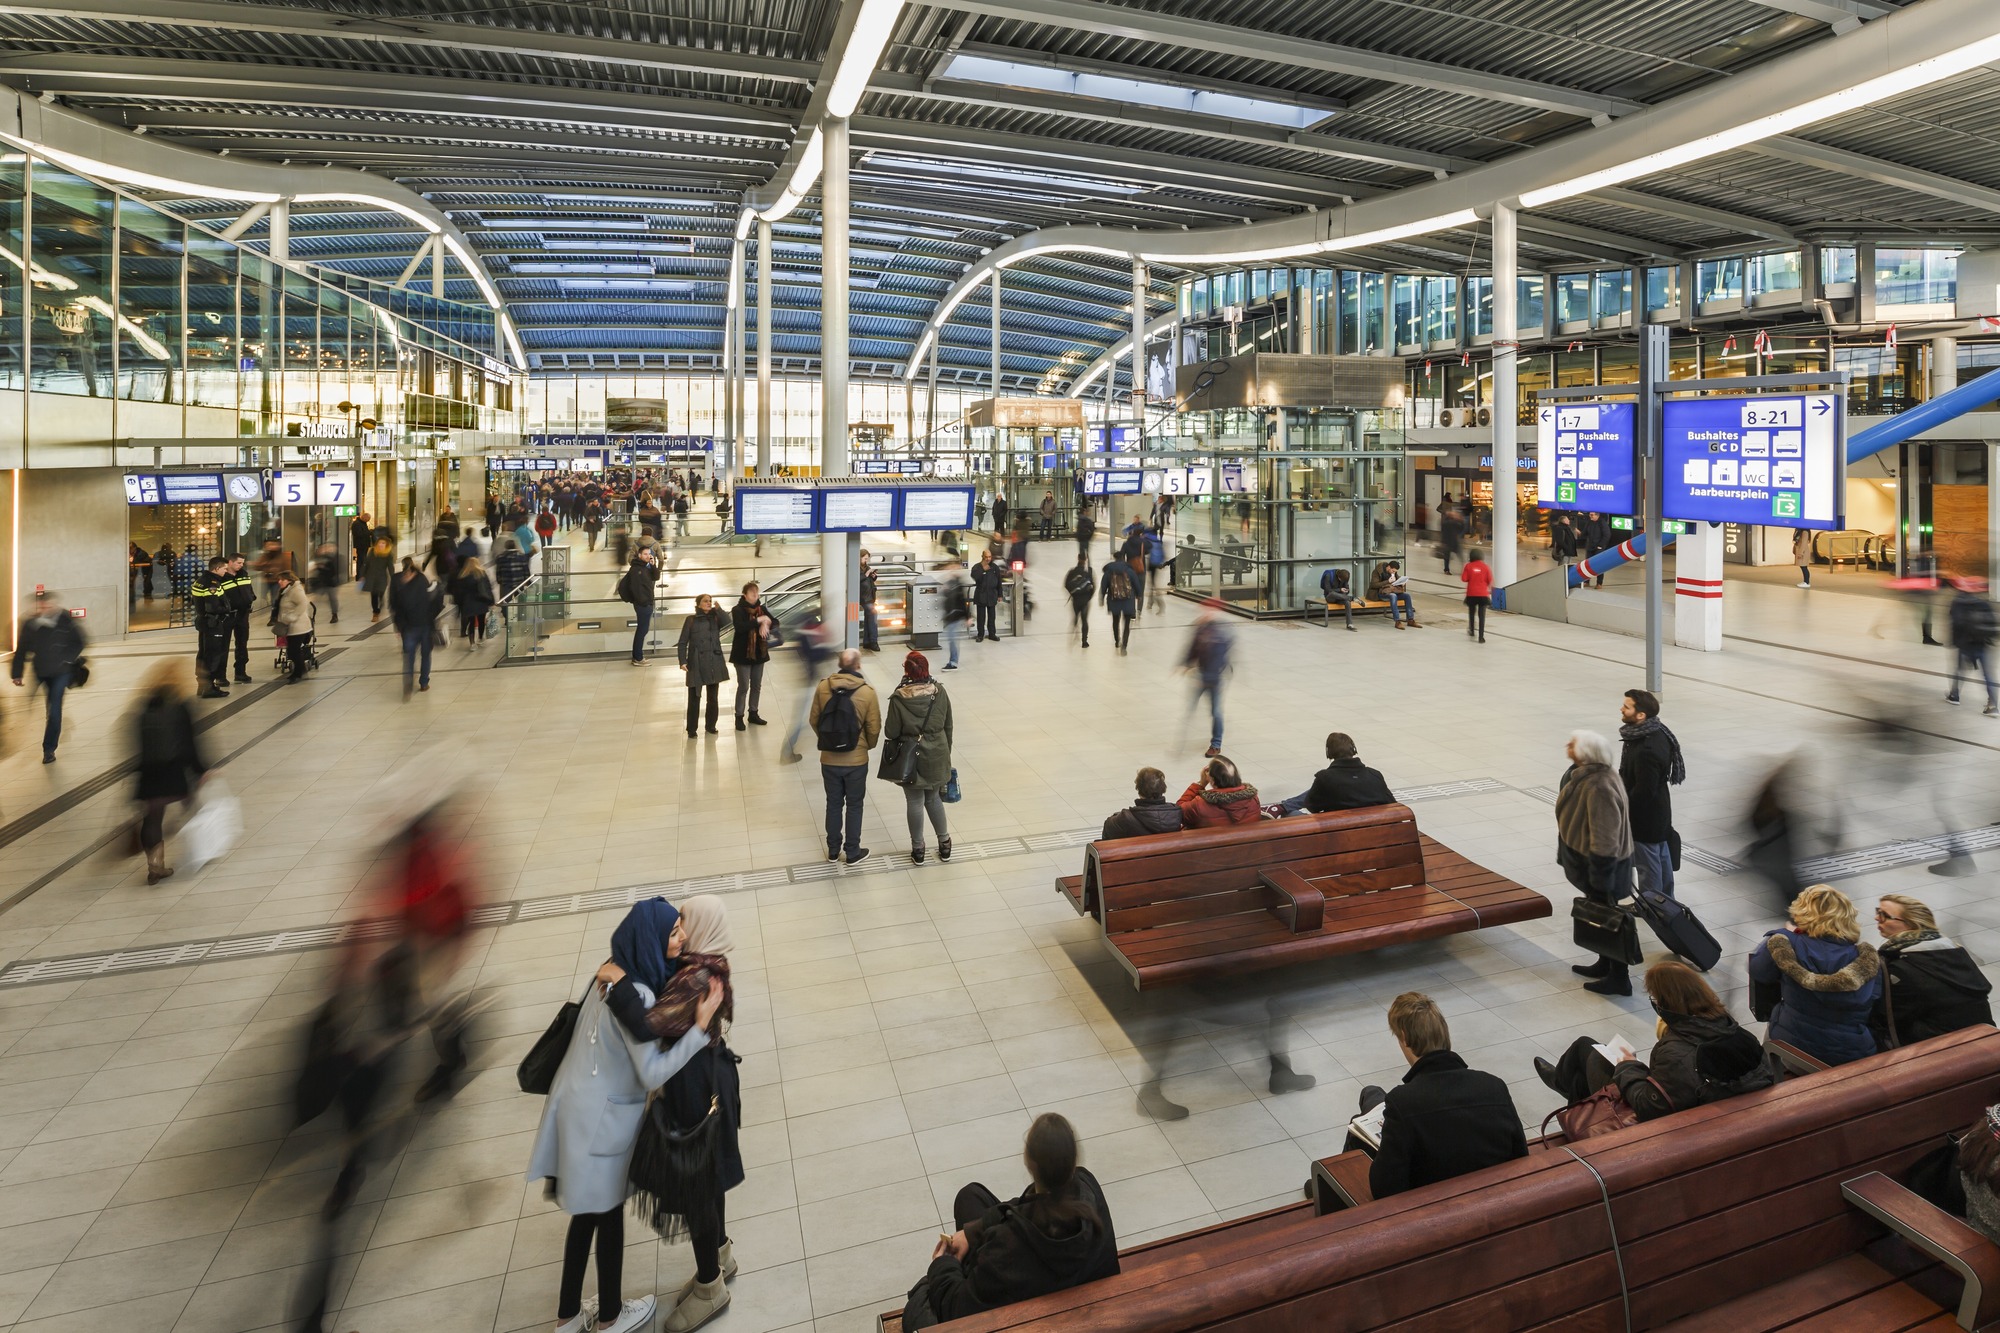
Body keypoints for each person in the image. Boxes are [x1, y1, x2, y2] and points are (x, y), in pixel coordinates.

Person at [526, 899, 726, 1333]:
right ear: (651, 939)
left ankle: (568, 1317)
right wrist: (699, 1025)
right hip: (604, 1122)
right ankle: (612, 1318)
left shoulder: (611, 971)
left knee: (586, 1215)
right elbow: (652, 1070)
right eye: (673, 932)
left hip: (574, 1109)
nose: (682, 937)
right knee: (608, 1214)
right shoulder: (637, 995)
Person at [602, 896, 742, 1333]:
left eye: (685, 923)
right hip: (708, 1081)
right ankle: (719, 1255)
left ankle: (709, 1288)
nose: (679, 932)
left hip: (698, 1089)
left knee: (698, 1182)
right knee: (709, 1175)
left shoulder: (696, 979)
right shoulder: (705, 964)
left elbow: (649, 1024)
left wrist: (616, 983)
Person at [903, 1113, 1118, 1330]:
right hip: (1074, 1289)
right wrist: (973, 1232)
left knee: (918, 1305)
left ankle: (970, 1275)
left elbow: (958, 1311)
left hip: (1029, 1318)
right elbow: (1025, 1206)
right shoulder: (1087, 1187)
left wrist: (942, 1265)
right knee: (971, 1196)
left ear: (1029, 1162)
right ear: (1072, 1162)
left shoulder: (1007, 1246)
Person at [1533, 961, 1773, 1116]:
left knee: (1587, 1049)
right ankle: (1570, 1089)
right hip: (1724, 1114)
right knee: (1584, 1068)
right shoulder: (1741, 1035)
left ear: (1666, 1005)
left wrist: (1628, 1065)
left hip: (1673, 1131)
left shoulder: (1678, 1052)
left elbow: (1650, 1106)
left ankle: (1564, 1086)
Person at [1359, 992, 1527, 1199]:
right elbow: (1520, 1155)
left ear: (1404, 1038)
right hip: (1495, 1201)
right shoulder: (1494, 1086)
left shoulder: (1403, 1102)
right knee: (1371, 1095)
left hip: (1432, 1213)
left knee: (1364, 1110)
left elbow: (1384, 1188)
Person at [1749, 885, 1883, 1067]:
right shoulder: (1866, 959)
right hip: (1852, 1055)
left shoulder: (1785, 943)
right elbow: (1874, 999)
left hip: (1793, 1050)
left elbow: (1760, 972)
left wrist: (1787, 934)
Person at [1558, 729, 1636, 996]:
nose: (1567, 746)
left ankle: (1619, 978)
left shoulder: (1599, 785)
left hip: (1605, 867)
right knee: (1604, 919)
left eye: (1573, 744)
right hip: (1597, 866)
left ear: (1585, 753)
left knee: (1611, 919)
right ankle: (1605, 963)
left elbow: (1606, 836)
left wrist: (1601, 878)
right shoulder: (1590, 775)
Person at [1871, 894, 1994, 1049]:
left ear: (1910, 924)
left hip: (1940, 1051)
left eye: (1884, 915)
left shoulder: (1901, 968)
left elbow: (1888, 1018)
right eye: (1878, 911)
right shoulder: (1955, 951)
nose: (1876, 918)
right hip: (1985, 1040)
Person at [132, 659, 207, 884]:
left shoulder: (145, 706)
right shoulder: (181, 706)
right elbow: (190, 743)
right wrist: (201, 770)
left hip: (149, 773)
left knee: (152, 818)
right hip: (174, 772)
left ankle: (155, 864)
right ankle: (198, 849)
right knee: (193, 807)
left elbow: (136, 743)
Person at [810, 649, 882, 866]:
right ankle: (852, 852)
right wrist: (866, 746)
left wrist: (828, 741)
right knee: (854, 804)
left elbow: (814, 720)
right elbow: (874, 727)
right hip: (856, 761)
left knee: (833, 803)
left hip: (829, 760)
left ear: (839, 664)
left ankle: (833, 851)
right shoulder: (868, 692)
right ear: (858, 666)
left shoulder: (823, 687)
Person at [883, 651, 954, 865]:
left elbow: (891, 732)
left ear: (907, 671)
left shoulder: (899, 698)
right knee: (933, 798)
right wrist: (945, 752)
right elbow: (948, 724)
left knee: (914, 801)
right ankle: (944, 844)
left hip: (910, 756)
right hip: (937, 752)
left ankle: (918, 849)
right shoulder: (939, 692)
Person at [1619, 688, 1684, 902]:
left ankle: (1653, 907)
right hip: (1659, 810)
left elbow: (1643, 791)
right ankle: (1666, 902)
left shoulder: (1646, 748)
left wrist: (1624, 809)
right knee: (1661, 858)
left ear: (1640, 715)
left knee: (1648, 866)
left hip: (1645, 817)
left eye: (1627, 707)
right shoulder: (1657, 732)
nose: (1622, 709)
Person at [10, 589, 86, 763]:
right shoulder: (30, 624)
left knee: (54, 709)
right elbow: (21, 649)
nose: (45, 608)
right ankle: (51, 724)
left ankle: (49, 749)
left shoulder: (65, 619)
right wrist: (17, 674)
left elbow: (80, 641)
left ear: (54, 604)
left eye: (48, 604)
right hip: (41, 672)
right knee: (39, 706)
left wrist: (66, 659)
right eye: (41, 605)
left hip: (61, 672)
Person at [1276, 733, 1395, 817]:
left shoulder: (1325, 778)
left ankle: (1283, 807)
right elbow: (1391, 803)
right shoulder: (1375, 775)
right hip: (1374, 834)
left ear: (1329, 752)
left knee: (1291, 814)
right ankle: (1284, 806)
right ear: (1353, 749)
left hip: (1336, 836)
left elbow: (1312, 806)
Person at [782, 614, 835, 764]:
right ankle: (786, 752)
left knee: (808, 717)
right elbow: (822, 655)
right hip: (812, 683)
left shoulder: (803, 636)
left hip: (809, 681)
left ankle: (787, 751)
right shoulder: (816, 635)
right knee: (806, 719)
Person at [1182, 601, 1232, 757]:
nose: (1205, 613)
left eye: (1209, 610)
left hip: (1214, 678)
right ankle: (1182, 741)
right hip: (1202, 674)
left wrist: (1207, 677)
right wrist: (1185, 664)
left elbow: (1219, 658)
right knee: (1191, 708)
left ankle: (1216, 744)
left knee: (1216, 711)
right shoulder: (1201, 627)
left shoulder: (1222, 632)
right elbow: (1192, 648)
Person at [677, 593, 730, 737]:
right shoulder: (691, 620)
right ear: (698, 604)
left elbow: (728, 623)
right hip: (696, 663)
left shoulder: (716, 618)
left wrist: (719, 609)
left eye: (710, 601)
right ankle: (692, 729)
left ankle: (711, 726)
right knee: (694, 698)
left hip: (714, 661)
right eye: (705, 601)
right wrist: (683, 661)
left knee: (713, 698)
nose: (709, 603)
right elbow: (682, 642)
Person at [1946, 578, 1999, 715]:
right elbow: (1992, 623)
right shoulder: (1983, 603)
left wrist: (1954, 642)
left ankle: (1954, 695)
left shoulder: (1958, 603)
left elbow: (1955, 624)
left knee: (1959, 670)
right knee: (1988, 675)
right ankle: (1993, 704)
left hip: (1965, 644)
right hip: (1981, 643)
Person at [388, 558, 438, 698]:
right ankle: (422, 682)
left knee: (410, 656)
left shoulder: (397, 580)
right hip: (422, 625)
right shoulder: (421, 579)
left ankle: (410, 684)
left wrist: (397, 625)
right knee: (424, 654)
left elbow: (392, 604)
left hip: (409, 626)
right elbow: (432, 601)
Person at [729, 582, 773, 729]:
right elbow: (740, 627)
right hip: (742, 654)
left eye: (757, 592)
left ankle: (753, 712)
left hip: (759, 654)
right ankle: (739, 716)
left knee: (756, 685)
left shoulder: (762, 609)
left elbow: (776, 622)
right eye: (752, 593)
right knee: (743, 686)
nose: (755, 595)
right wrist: (758, 621)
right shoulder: (737, 610)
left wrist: (765, 623)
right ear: (745, 595)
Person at [191, 556, 234, 698]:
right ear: (216, 568)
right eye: (224, 569)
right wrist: (226, 610)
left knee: (203, 653)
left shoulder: (200, 581)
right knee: (213, 654)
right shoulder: (212, 584)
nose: (225, 571)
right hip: (212, 623)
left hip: (203, 622)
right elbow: (213, 606)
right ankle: (209, 687)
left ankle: (202, 685)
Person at [1102, 767, 1184, 840]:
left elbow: (1107, 834)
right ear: (1162, 789)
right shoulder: (1175, 814)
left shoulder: (1125, 819)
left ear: (1139, 790)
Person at [1177, 755, 1260, 828]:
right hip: (1249, 844)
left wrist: (1201, 784)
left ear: (1212, 780)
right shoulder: (1253, 799)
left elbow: (1177, 813)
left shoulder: (1200, 805)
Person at [273, 568, 314, 684]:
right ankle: (300, 671)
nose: (279, 582)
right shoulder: (286, 590)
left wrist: (292, 617)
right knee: (292, 650)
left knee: (293, 651)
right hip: (289, 626)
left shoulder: (296, 590)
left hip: (299, 626)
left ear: (289, 580)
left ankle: (299, 672)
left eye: (282, 580)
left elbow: (303, 604)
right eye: (279, 580)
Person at [619, 545, 659, 666]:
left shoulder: (645, 567)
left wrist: (652, 564)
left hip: (646, 603)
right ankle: (637, 658)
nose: (647, 556)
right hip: (643, 605)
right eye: (645, 554)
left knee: (642, 630)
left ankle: (637, 656)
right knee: (642, 631)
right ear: (639, 555)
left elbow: (656, 576)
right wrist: (644, 602)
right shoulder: (637, 570)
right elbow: (636, 589)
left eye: (649, 554)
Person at [223, 551, 256, 684]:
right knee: (223, 646)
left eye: (242, 563)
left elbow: (249, 589)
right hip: (228, 615)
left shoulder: (243, 574)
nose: (241, 565)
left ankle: (240, 672)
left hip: (243, 614)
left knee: (242, 644)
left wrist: (251, 598)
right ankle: (221, 676)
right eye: (238, 563)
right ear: (230, 562)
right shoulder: (221, 577)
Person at [451, 556, 497, 647]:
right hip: (481, 601)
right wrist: (492, 600)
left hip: (468, 602)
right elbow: (488, 588)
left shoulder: (462, 575)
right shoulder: (482, 574)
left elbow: (459, 591)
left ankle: (472, 643)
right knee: (481, 621)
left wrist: (459, 603)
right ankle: (480, 638)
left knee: (471, 622)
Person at [1099, 550, 1137, 654]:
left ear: (1115, 558)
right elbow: (1137, 585)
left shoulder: (1109, 571)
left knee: (1115, 621)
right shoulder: (1130, 571)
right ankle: (1124, 646)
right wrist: (1138, 596)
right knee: (1127, 624)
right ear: (1123, 558)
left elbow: (1103, 586)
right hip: (1128, 601)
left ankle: (1117, 641)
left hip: (1114, 600)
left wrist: (1101, 598)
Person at [1368, 560, 1419, 629]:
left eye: (1395, 571)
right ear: (1388, 567)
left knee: (1407, 596)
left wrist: (1401, 583)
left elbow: (1397, 581)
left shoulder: (1393, 572)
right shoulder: (1377, 571)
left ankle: (1410, 619)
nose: (1394, 573)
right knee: (1393, 596)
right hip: (1379, 593)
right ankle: (1397, 621)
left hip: (1392, 591)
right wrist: (1388, 581)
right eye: (1393, 571)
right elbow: (1374, 585)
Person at [971, 550, 1004, 643]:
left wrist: (1000, 594)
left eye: (990, 557)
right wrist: (983, 570)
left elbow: (999, 582)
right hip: (981, 595)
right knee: (981, 617)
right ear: (982, 556)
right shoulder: (977, 567)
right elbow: (974, 576)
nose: (988, 559)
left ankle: (992, 634)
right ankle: (980, 634)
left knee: (992, 617)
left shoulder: (995, 567)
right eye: (986, 557)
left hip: (992, 595)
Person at [1063, 553, 1095, 648]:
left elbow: (1066, 584)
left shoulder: (1072, 572)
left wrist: (1073, 593)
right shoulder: (1088, 573)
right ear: (1085, 559)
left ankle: (1074, 632)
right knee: (1084, 619)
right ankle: (1084, 641)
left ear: (1078, 558)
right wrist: (1089, 597)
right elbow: (1093, 587)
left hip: (1076, 599)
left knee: (1075, 616)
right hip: (1085, 600)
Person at [1461, 548, 1493, 642]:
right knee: (1482, 615)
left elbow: (1464, 578)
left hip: (1471, 594)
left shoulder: (1468, 566)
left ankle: (1471, 630)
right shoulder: (1486, 567)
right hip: (1483, 595)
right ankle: (1481, 637)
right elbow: (1489, 580)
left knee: (1471, 612)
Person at [310, 541, 344, 626]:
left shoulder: (336, 558)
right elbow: (317, 568)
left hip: (332, 582)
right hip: (322, 581)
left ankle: (334, 614)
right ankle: (311, 616)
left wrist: (323, 567)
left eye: (330, 547)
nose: (328, 549)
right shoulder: (321, 557)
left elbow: (336, 570)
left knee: (332, 599)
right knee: (316, 598)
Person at [363, 533, 395, 621]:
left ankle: (381, 601)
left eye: (383, 543)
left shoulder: (388, 554)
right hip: (371, 577)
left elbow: (390, 567)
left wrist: (394, 577)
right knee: (373, 595)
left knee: (380, 592)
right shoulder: (372, 551)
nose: (381, 545)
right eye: (379, 543)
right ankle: (375, 612)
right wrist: (362, 575)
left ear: (386, 544)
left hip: (382, 578)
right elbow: (366, 563)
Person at [1319, 566, 1358, 631]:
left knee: (1347, 602)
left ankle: (1349, 624)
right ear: (1338, 577)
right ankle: (1352, 598)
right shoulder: (1329, 575)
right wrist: (1339, 589)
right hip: (1330, 597)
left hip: (1341, 597)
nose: (1343, 582)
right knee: (1332, 593)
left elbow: (1347, 589)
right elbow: (1328, 590)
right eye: (1342, 581)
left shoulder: (1345, 577)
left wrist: (1346, 590)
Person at [858, 551, 879, 653]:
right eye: (865, 558)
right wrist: (866, 574)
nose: (866, 561)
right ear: (859, 558)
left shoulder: (866, 567)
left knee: (869, 617)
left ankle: (867, 642)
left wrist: (873, 576)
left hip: (870, 596)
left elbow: (869, 580)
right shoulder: (854, 567)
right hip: (862, 597)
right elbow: (855, 579)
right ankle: (873, 642)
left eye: (867, 559)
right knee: (873, 614)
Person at [1438, 502, 1465, 575]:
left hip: (1450, 542)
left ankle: (1447, 569)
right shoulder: (1450, 522)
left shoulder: (1447, 522)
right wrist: (1460, 520)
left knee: (1448, 557)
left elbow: (1460, 529)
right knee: (1455, 556)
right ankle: (1447, 569)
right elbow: (1461, 529)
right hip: (1451, 542)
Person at [350, 511, 372, 580]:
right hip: (361, 545)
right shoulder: (357, 524)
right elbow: (359, 534)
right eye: (367, 519)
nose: (368, 521)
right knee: (361, 560)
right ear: (364, 517)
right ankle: (360, 575)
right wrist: (369, 532)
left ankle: (362, 574)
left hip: (363, 544)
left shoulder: (362, 523)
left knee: (363, 560)